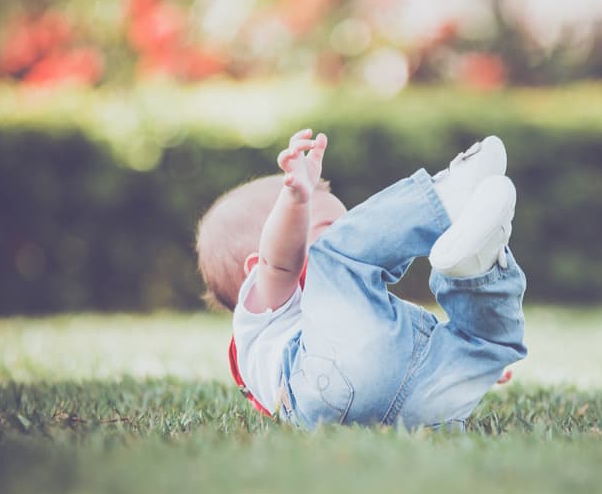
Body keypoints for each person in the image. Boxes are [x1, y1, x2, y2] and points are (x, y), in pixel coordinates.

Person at [196, 129, 527, 430]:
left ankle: (474, 271)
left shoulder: (344, 319)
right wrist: (295, 201)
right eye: (328, 227)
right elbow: (278, 262)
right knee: (336, 254)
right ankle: (444, 204)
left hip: (417, 406)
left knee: (482, 345)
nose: (350, 234)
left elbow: (383, 356)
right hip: (324, 387)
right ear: (254, 268)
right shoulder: (267, 309)